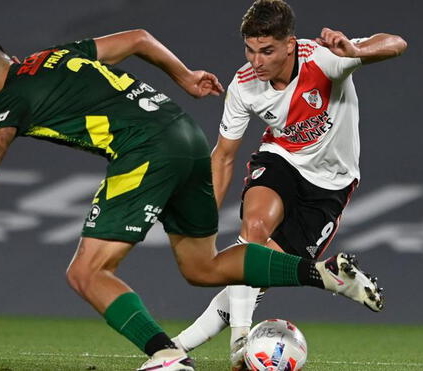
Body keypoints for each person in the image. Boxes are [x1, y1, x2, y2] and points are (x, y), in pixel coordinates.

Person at [0, 28, 383, 371]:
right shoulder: (60, 55)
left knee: (85, 272)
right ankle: (323, 274)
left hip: (145, 150)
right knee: (202, 266)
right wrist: (185, 76)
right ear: (12, 60)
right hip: (186, 135)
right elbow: (140, 38)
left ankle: (166, 356)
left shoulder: (11, 96)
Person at [171, 1, 407, 369]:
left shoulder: (325, 59)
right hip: (281, 160)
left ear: (290, 44)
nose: (256, 61)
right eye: (250, 50)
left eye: (266, 51)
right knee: (254, 228)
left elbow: (396, 42)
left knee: (257, 276)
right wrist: (204, 218)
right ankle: (240, 345)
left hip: (330, 186)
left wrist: (357, 51)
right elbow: (223, 156)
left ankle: (175, 347)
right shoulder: (244, 87)